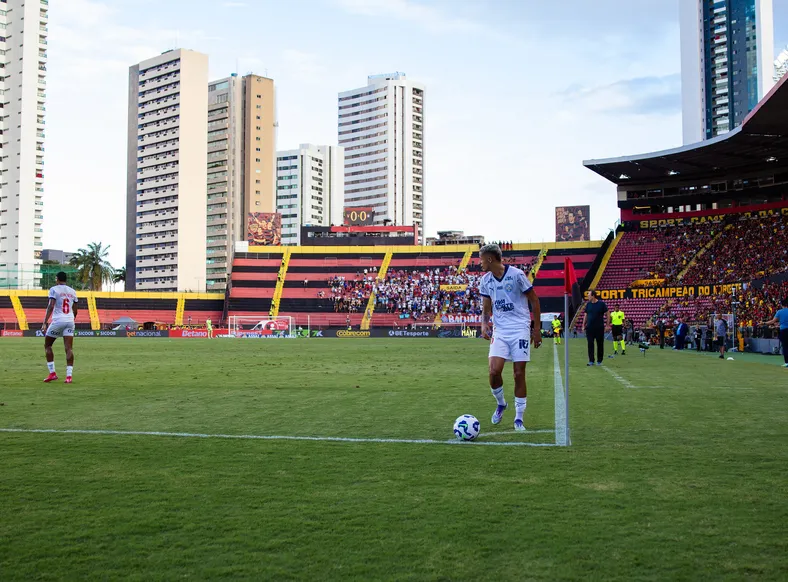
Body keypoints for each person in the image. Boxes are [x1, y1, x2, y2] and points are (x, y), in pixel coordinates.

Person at [478, 243, 542, 432]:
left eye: (481, 259)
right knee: (493, 371)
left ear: (490, 259)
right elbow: (486, 308)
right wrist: (484, 324)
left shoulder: (517, 275)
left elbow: (534, 300)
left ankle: (519, 418)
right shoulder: (485, 280)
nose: (479, 263)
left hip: (520, 329)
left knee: (518, 373)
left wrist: (536, 329)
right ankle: (501, 404)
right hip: (500, 330)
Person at [41, 271, 78, 384]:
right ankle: (69, 376)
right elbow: (75, 309)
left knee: (48, 345)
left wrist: (44, 322)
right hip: (70, 320)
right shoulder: (72, 291)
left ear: (57, 279)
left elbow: (51, 305)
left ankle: (52, 373)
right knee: (69, 348)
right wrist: (71, 319)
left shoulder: (54, 289)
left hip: (58, 320)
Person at [760, 297, 788, 368]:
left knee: (785, 347)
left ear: (782, 305)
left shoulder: (779, 312)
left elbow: (772, 321)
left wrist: (763, 323)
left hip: (784, 331)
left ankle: (787, 362)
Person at [583, 291, 608, 366]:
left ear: (593, 296)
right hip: (589, 328)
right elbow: (586, 315)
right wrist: (583, 325)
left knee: (600, 344)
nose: (588, 297)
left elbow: (608, 314)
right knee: (590, 344)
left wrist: (607, 325)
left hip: (599, 328)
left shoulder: (601, 304)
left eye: (589, 295)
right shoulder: (588, 304)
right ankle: (591, 360)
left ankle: (599, 360)